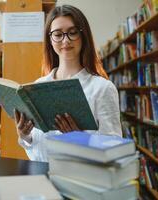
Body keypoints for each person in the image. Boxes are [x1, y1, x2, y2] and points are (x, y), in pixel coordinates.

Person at [14, 5, 122, 162]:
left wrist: (81, 140)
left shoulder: (102, 88)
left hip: (81, 181)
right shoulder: (37, 86)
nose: (65, 40)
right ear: (50, 40)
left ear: (83, 35)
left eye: (72, 33)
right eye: (57, 34)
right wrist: (25, 136)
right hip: (43, 178)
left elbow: (115, 151)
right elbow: (37, 153)